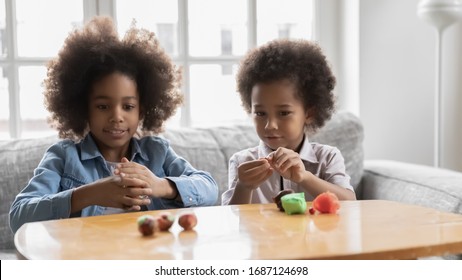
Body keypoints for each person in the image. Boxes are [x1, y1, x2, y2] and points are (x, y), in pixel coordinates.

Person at [9, 16, 218, 233]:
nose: (116, 117)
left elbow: (210, 189)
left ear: (142, 111)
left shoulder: (157, 152)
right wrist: (88, 194)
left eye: (128, 107)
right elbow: (18, 217)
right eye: (102, 106)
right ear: (83, 108)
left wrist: (161, 186)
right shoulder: (64, 157)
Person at [222, 39, 356, 205]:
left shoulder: (327, 158)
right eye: (260, 113)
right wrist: (243, 187)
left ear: (309, 113)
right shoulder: (242, 162)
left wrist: (304, 177)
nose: (270, 125)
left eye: (284, 113)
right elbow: (230, 219)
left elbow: (351, 205)